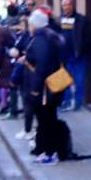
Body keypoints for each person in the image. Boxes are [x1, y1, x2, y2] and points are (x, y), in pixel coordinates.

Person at [25, 10, 64, 165]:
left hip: (45, 89)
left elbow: (41, 67)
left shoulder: (40, 40)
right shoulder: (49, 37)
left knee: (46, 120)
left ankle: (50, 153)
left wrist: (35, 88)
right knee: (47, 118)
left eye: (30, 24)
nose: (29, 27)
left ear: (35, 25)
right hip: (50, 86)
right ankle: (45, 151)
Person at [59, 0, 91, 111]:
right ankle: (67, 101)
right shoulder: (60, 20)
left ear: (73, 5)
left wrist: (82, 51)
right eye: (64, 5)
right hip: (65, 56)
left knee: (79, 80)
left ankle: (78, 103)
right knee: (65, 80)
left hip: (78, 55)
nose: (66, 7)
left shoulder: (82, 20)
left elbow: (88, 38)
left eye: (69, 4)